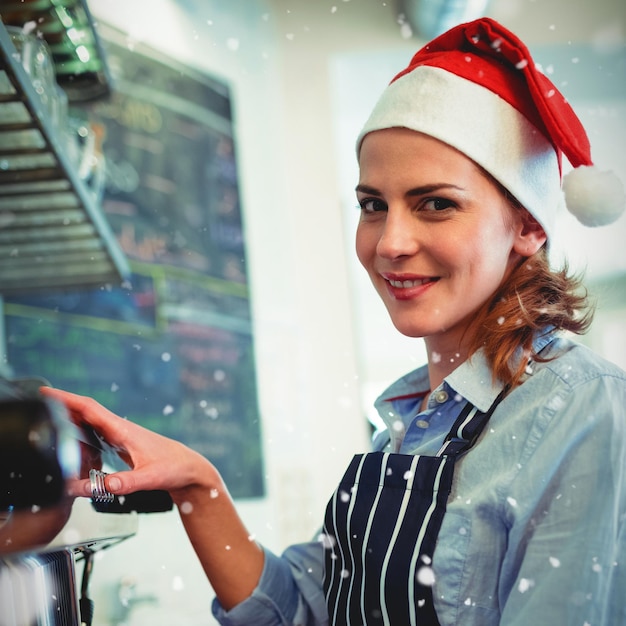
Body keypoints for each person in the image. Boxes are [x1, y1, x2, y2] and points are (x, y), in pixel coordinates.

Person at [40, 17, 625, 626]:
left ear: (528, 226)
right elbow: (300, 612)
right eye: (373, 205)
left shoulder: (583, 410)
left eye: (436, 204)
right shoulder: (410, 424)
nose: (390, 242)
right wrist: (198, 486)